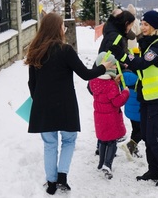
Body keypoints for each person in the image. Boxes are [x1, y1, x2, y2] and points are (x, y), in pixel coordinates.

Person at [24, 12, 114, 195]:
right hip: (65, 106)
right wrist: (104, 67)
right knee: (69, 140)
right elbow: (86, 75)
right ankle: (62, 176)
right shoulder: (65, 51)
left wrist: (39, 100)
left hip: (44, 107)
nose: (64, 29)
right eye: (62, 25)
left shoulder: (35, 51)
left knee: (49, 144)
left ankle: (51, 182)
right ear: (57, 29)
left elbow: (31, 84)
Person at [109, 10, 158, 187]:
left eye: (146, 24)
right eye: (143, 24)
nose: (143, 27)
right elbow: (138, 62)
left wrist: (123, 55)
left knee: (155, 137)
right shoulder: (148, 44)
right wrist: (126, 57)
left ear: (154, 26)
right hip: (147, 96)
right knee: (147, 136)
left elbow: (142, 63)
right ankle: (154, 170)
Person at [93, 10, 135, 156]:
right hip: (106, 76)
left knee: (103, 112)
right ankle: (106, 144)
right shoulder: (117, 37)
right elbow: (111, 55)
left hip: (100, 75)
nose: (130, 29)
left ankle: (102, 143)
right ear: (126, 24)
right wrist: (121, 64)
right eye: (131, 25)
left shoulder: (111, 29)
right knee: (109, 111)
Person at [89, 51, 130, 179]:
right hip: (111, 118)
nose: (115, 68)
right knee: (112, 142)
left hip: (99, 117)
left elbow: (103, 93)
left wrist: (115, 83)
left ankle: (101, 163)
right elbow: (117, 101)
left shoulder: (93, 82)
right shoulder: (111, 84)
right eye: (112, 66)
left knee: (102, 140)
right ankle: (108, 164)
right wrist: (125, 93)